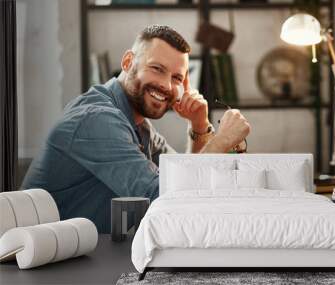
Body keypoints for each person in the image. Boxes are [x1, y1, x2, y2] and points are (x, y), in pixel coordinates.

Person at [22, 25, 250, 233]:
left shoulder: (139, 125)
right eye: (157, 68)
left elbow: (183, 183)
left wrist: (198, 125)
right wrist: (222, 141)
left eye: (177, 78)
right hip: (46, 265)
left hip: (89, 255)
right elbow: (161, 200)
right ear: (128, 62)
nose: (167, 85)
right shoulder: (97, 119)